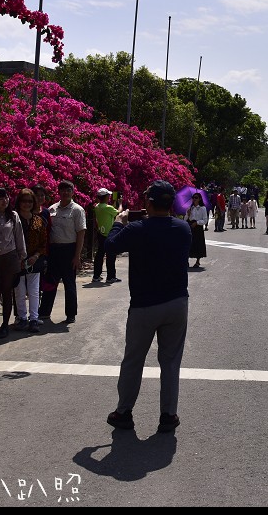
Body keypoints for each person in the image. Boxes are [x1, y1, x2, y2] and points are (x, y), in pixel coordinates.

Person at [104, 180, 190, 435]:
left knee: (133, 360)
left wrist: (119, 222)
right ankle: (168, 415)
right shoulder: (183, 229)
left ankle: (124, 411)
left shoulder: (137, 229)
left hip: (144, 305)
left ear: (149, 202)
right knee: (171, 362)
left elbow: (110, 246)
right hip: (176, 303)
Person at [39, 180, 86, 325]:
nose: (65, 193)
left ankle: (71, 314)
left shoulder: (77, 210)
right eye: (62, 190)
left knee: (69, 283)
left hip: (69, 250)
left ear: (73, 192)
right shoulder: (52, 209)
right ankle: (44, 312)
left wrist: (77, 256)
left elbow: (81, 233)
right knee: (50, 282)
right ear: (58, 192)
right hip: (54, 251)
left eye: (68, 190)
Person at [0, 186, 26, 339]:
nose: (5, 200)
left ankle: (5, 325)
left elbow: (19, 236)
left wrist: (22, 257)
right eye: (1, 198)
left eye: (6, 197)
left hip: (10, 257)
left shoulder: (13, 215)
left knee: (7, 292)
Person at [13, 188, 47, 333]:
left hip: (34, 260)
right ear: (19, 202)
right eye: (24, 201)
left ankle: (34, 319)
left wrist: (36, 256)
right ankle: (22, 318)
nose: (26, 204)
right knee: (19, 291)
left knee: (33, 291)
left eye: (29, 201)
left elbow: (44, 242)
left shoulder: (38, 220)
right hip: (17, 261)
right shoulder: (13, 219)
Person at [92, 187, 121, 283]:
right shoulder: (108, 208)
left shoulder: (97, 206)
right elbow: (119, 212)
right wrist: (120, 203)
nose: (109, 197)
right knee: (111, 255)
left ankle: (96, 275)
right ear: (105, 197)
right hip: (109, 234)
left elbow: (109, 211)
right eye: (108, 195)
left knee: (100, 255)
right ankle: (110, 276)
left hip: (101, 233)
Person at [185, 192, 208, 268]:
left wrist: (197, 223)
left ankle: (198, 261)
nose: (194, 199)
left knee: (198, 243)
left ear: (199, 199)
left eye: (196, 198)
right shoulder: (190, 208)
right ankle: (187, 260)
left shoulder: (202, 208)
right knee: (188, 243)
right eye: (193, 198)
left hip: (198, 227)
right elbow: (185, 219)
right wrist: (188, 214)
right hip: (190, 226)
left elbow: (205, 220)